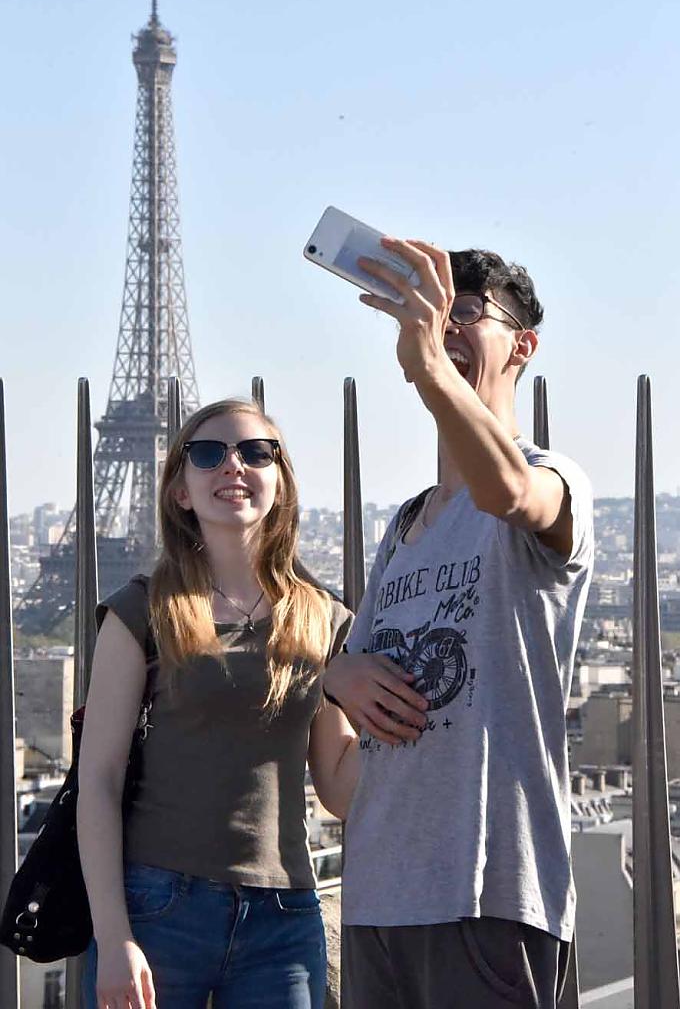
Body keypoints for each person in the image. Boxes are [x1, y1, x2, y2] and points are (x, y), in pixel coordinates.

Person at [323, 241, 594, 1009]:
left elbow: (509, 491)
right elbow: (352, 745)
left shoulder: (554, 479)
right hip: (376, 899)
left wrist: (430, 368)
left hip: (487, 896)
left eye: (467, 312)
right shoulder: (404, 527)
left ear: (523, 345)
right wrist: (334, 675)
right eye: (439, 313)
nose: (446, 327)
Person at [77, 397, 357, 1009]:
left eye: (256, 452)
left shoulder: (323, 619)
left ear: (280, 481)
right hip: (157, 907)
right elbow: (98, 778)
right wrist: (114, 935)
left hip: (284, 914)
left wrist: (417, 712)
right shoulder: (145, 610)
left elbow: (339, 789)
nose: (233, 465)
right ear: (180, 490)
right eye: (208, 454)